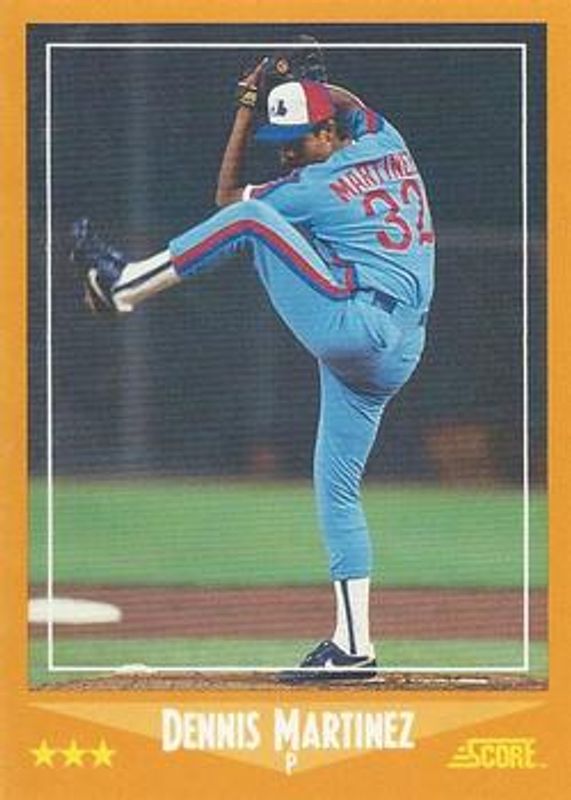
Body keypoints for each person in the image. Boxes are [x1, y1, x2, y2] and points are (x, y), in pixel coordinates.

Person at [71, 61, 436, 680]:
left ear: (328, 132)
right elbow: (352, 102)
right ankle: (354, 647)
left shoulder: (309, 188)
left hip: (356, 324)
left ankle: (125, 285)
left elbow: (227, 203)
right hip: (397, 348)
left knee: (250, 221)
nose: (287, 152)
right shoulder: (388, 145)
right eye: (279, 141)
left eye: (297, 139)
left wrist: (245, 104)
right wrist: (305, 85)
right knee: (337, 491)